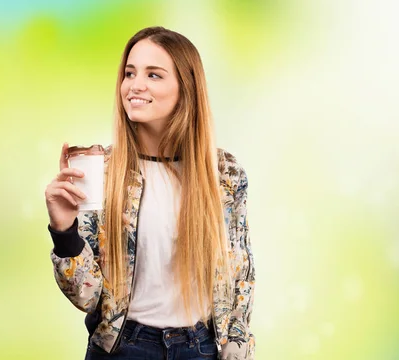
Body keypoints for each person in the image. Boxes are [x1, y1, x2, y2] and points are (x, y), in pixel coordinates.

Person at [44, 26, 255, 360]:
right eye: (130, 73)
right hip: (123, 347)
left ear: (186, 89)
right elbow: (87, 297)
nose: (135, 85)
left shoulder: (225, 175)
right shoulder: (101, 171)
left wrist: (238, 338)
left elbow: (240, 267)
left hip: (200, 349)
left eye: (153, 75)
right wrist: (64, 230)